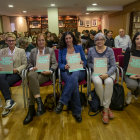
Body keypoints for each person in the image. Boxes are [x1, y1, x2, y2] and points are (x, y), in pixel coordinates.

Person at [23, 33, 58, 125]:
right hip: (35, 72)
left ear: (45, 41)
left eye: (43, 40)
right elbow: (29, 64)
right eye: (39, 40)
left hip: (45, 74)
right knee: (31, 75)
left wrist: (50, 71)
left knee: (31, 81)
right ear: (36, 42)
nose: (41, 42)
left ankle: (31, 110)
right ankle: (39, 103)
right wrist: (32, 68)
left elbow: (55, 64)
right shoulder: (33, 51)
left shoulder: (50, 51)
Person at [55, 31, 87, 123]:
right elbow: (60, 63)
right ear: (64, 40)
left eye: (69, 38)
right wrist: (63, 66)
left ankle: (62, 101)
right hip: (66, 71)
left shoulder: (79, 47)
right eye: (66, 38)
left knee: (76, 73)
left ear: (72, 38)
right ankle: (77, 112)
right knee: (75, 85)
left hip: (79, 71)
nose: (68, 40)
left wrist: (82, 62)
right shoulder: (61, 49)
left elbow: (85, 61)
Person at [87, 33, 116, 124]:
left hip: (109, 72)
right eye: (97, 40)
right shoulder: (91, 50)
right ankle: (106, 107)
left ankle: (105, 109)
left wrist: (107, 74)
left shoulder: (110, 50)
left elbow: (114, 65)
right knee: (97, 82)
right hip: (96, 71)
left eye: (101, 39)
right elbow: (88, 63)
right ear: (95, 41)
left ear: (104, 40)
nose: (99, 41)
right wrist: (95, 67)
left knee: (109, 82)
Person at [0, 33, 27, 117]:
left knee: (3, 82)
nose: (11, 42)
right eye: (9, 41)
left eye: (12, 40)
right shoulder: (2, 51)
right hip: (4, 71)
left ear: (15, 41)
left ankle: (7, 101)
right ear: (6, 41)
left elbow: (25, 64)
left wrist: (17, 69)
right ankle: (9, 101)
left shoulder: (21, 51)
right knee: (0, 78)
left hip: (15, 72)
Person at [124, 32, 140, 104]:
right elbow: (125, 65)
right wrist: (130, 75)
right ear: (134, 40)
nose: (139, 41)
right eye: (137, 39)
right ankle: (131, 93)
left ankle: (135, 93)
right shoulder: (129, 50)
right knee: (133, 85)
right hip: (129, 72)